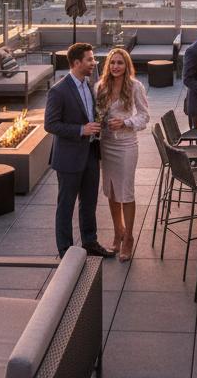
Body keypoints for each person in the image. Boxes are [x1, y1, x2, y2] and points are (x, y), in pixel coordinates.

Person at [45, 43, 115, 258]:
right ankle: (65, 251)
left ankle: (90, 242)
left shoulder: (88, 85)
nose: (94, 63)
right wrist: (81, 130)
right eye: (90, 60)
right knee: (65, 206)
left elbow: (89, 115)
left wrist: (98, 125)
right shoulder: (58, 90)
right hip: (68, 159)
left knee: (89, 203)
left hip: (90, 154)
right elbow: (50, 125)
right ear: (76, 63)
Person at [94, 47, 149, 262]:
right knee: (111, 191)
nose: (116, 66)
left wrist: (126, 122)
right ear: (108, 65)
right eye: (113, 63)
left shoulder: (135, 86)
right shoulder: (100, 87)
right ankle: (118, 231)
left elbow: (144, 117)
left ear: (127, 66)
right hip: (106, 144)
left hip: (126, 145)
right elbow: (95, 114)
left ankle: (128, 238)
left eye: (120, 63)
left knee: (126, 192)